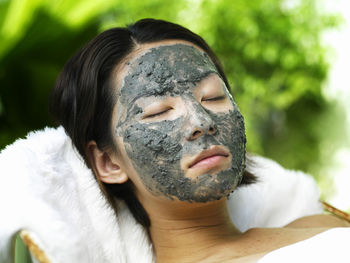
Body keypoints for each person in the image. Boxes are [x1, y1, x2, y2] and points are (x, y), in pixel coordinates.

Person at [49, 18, 349, 262]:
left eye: (213, 97)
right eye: (158, 112)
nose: (201, 122)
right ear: (108, 162)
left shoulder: (323, 226)